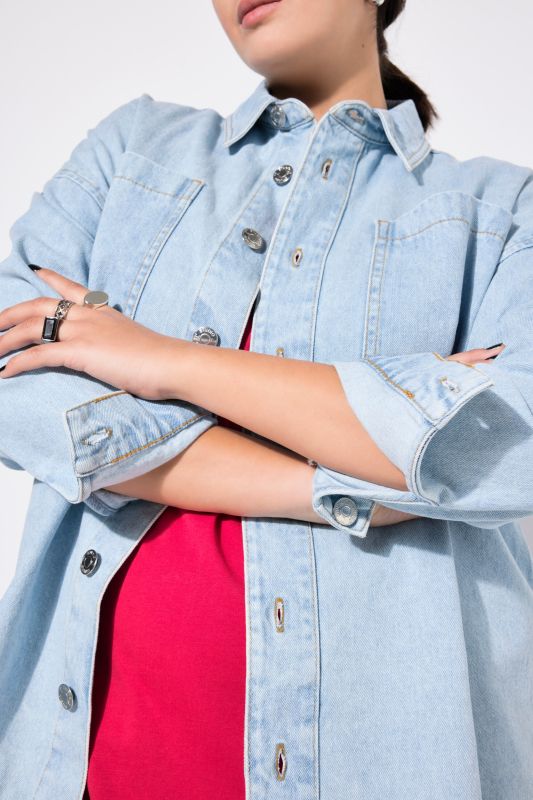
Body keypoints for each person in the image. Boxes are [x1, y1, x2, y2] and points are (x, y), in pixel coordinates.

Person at [1, 0, 532, 798]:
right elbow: (15, 387)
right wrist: (342, 479)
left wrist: (157, 361)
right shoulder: (132, 152)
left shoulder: (499, 215)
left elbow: (504, 450)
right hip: (94, 764)